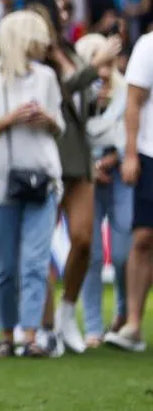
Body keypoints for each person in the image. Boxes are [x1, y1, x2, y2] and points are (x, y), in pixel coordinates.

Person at [28, 0, 122, 354]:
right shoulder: (37, 58)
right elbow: (61, 90)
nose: (67, 13)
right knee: (40, 244)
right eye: (61, 9)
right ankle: (45, 325)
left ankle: (67, 311)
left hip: (78, 155)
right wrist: (96, 62)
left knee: (83, 239)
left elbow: (83, 91)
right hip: (48, 156)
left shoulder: (67, 51)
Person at [0, 11, 65, 357]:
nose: (45, 44)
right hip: (0, 181)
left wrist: (47, 118)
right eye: (38, 37)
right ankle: (6, 334)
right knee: (5, 264)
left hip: (43, 178)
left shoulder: (48, 78)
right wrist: (11, 119)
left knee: (36, 262)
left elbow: (60, 128)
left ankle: (31, 335)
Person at [75, 34, 133, 347]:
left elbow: (135, 130)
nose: (105, 72)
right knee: (91, 254)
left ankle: (124, 314)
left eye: (110, 64)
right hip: (86, 178)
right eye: (99, 64)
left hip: (122, 174)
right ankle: (93, 327)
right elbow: (70, 133)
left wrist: (111, 160)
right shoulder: (77, 93)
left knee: (124, 252)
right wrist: (92, 166)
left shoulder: (128, 92)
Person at [105, 29, 153, 352]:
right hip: (151, 153)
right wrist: (131, 153)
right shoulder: (149, 45)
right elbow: (133, 103)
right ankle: (133, 323)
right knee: (144, 238)